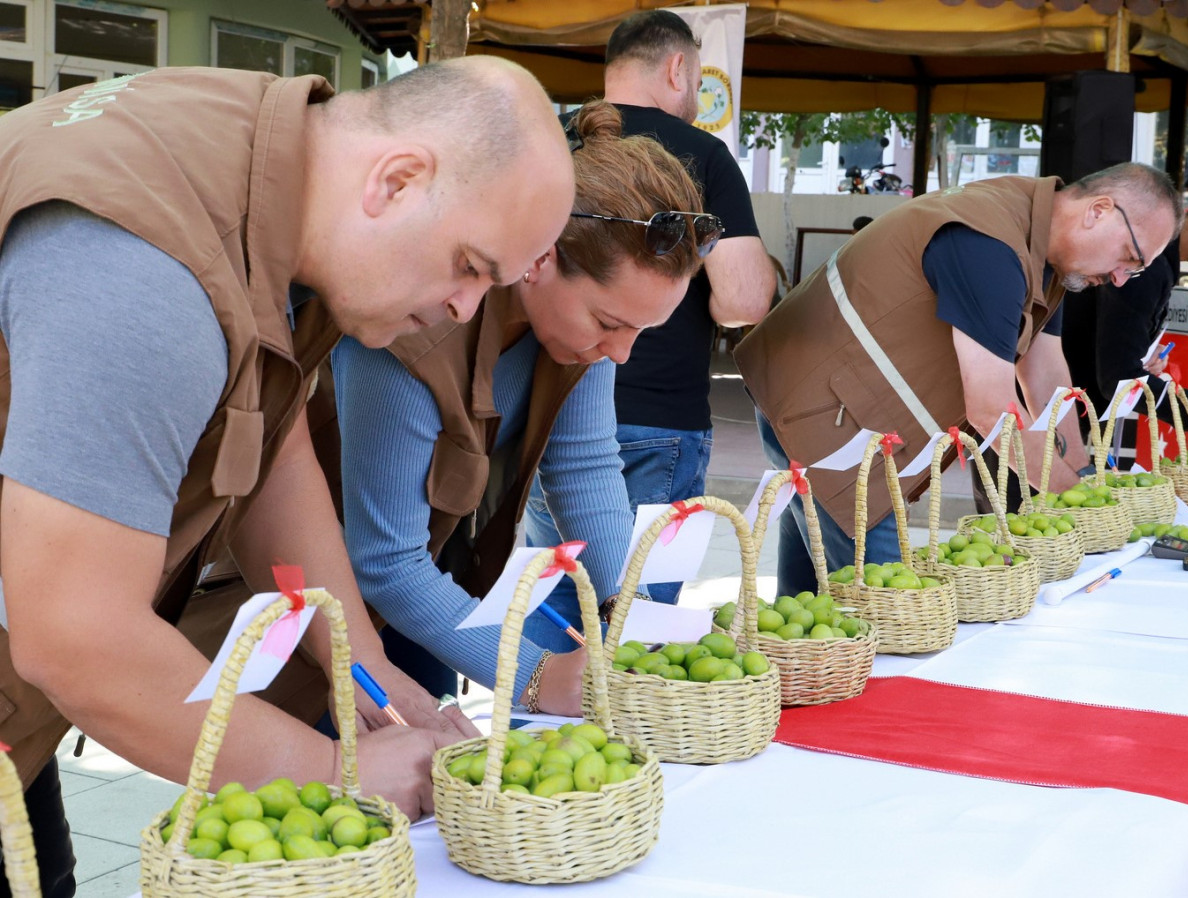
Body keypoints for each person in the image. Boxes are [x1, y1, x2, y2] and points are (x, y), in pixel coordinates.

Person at [0, 58, 574, 895]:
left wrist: (369, 677)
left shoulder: (268, 168)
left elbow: (272, 445)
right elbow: (80, 639)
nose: (465, 310)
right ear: (398, 181)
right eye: (472, 266)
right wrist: (336, 772)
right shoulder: (147, 267)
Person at [331, 100, 706, 720]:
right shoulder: (411, 322)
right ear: (540, 258)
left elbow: (585, 467)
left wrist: (632, 620)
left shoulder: (574, 340)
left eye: (641, 331)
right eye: (610, 323)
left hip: (431, 585)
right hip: (315, 604)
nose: (619, 354)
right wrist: (535, 676)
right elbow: (386, 562)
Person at [737, 162, 1183, 574]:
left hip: (841, 411)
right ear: (1099, 211)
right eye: (1129, 257)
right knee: (887, 605)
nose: (1122, 278)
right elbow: (992, 410)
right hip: (822, 410)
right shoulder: (991, 242)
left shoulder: (1044, 249)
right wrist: (1076, 501)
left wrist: (1086, 475)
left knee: (811, 600)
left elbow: (1046, 376)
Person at [523, 8, 776, 605]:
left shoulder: (552, 140)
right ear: (678, 68)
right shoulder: (701, 154)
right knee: (635, 634)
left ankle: (533, 694)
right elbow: (742, 300)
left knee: (552, 605)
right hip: (657, 418)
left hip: (543, 404)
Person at [1063, 205, 1188, 453]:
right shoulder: (1148, 263)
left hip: (1062, 408)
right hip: (1046, 411)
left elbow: (1110, 332)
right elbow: (1119, 378)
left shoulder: (1158, 258)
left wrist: (1142, 349)